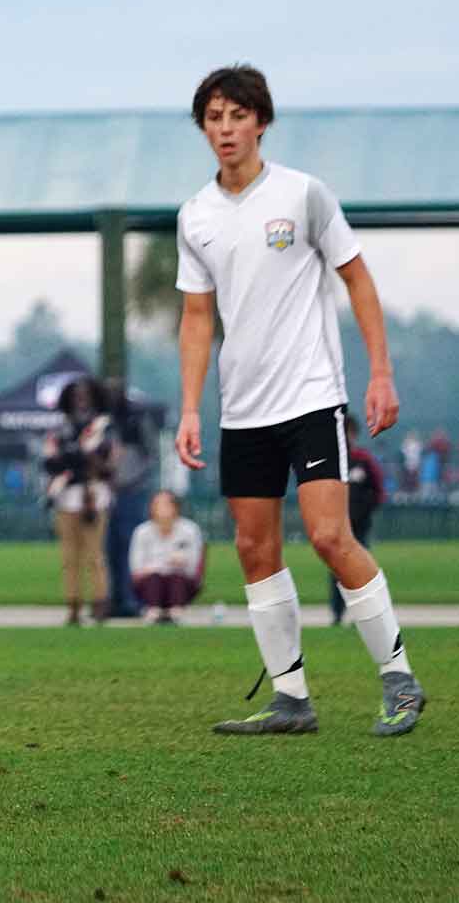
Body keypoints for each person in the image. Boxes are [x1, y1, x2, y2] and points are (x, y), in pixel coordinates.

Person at [174, 65, 425, 735]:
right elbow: (197, 318)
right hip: (242, 410)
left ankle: (399, 680)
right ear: (204, 128)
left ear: (261, 121)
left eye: (237, 115)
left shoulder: (303, 195)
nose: (225, 129)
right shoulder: (195, 216)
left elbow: (358, 279)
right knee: (255, 548)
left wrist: (380, 374)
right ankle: (292, 700)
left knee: (328, 536)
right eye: (214, 118)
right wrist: (191, 409)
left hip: (312, 399)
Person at [43, 375, 116, 625]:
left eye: (85, 396)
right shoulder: (60, 429)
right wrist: (75, 458)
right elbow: (51, 462)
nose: (80, 401)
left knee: (95, 555)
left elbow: (104, 464)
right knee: (69, 557)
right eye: (76, 397)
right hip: (65, 496)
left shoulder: (101, 427)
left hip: (93, 496)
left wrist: (76, 458)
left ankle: (99, 603)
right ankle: (73, 605)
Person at [103, 377, 156, 618]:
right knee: (109, 547)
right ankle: (114, 598)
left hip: (131, 491)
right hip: (107, 492)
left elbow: (150, 456)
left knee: (130, 546)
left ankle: (131, 599)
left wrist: (130, 481)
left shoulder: (136, 419)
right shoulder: (104, 421)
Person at [330, 414, 385, 624]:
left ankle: (366, 614)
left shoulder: (363, 460)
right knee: (336, 572)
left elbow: (379, 490)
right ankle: (337, 613)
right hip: (337, 527)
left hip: (360, 526)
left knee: (361, 570)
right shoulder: (332, 461)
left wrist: (366, 510)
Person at [128, 490, 205, 624]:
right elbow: (136, 568)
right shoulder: (142, 532)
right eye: (158, 505)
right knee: (155, 578)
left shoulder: (189, 530)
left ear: (176, 507)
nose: (162, 509)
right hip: (150, 583)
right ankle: (153, 610)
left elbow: (193, 566)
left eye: (166, 504)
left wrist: (165, 565)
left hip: (181, 581)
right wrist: (164, 565)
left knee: (176, 578)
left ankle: (177, 611)